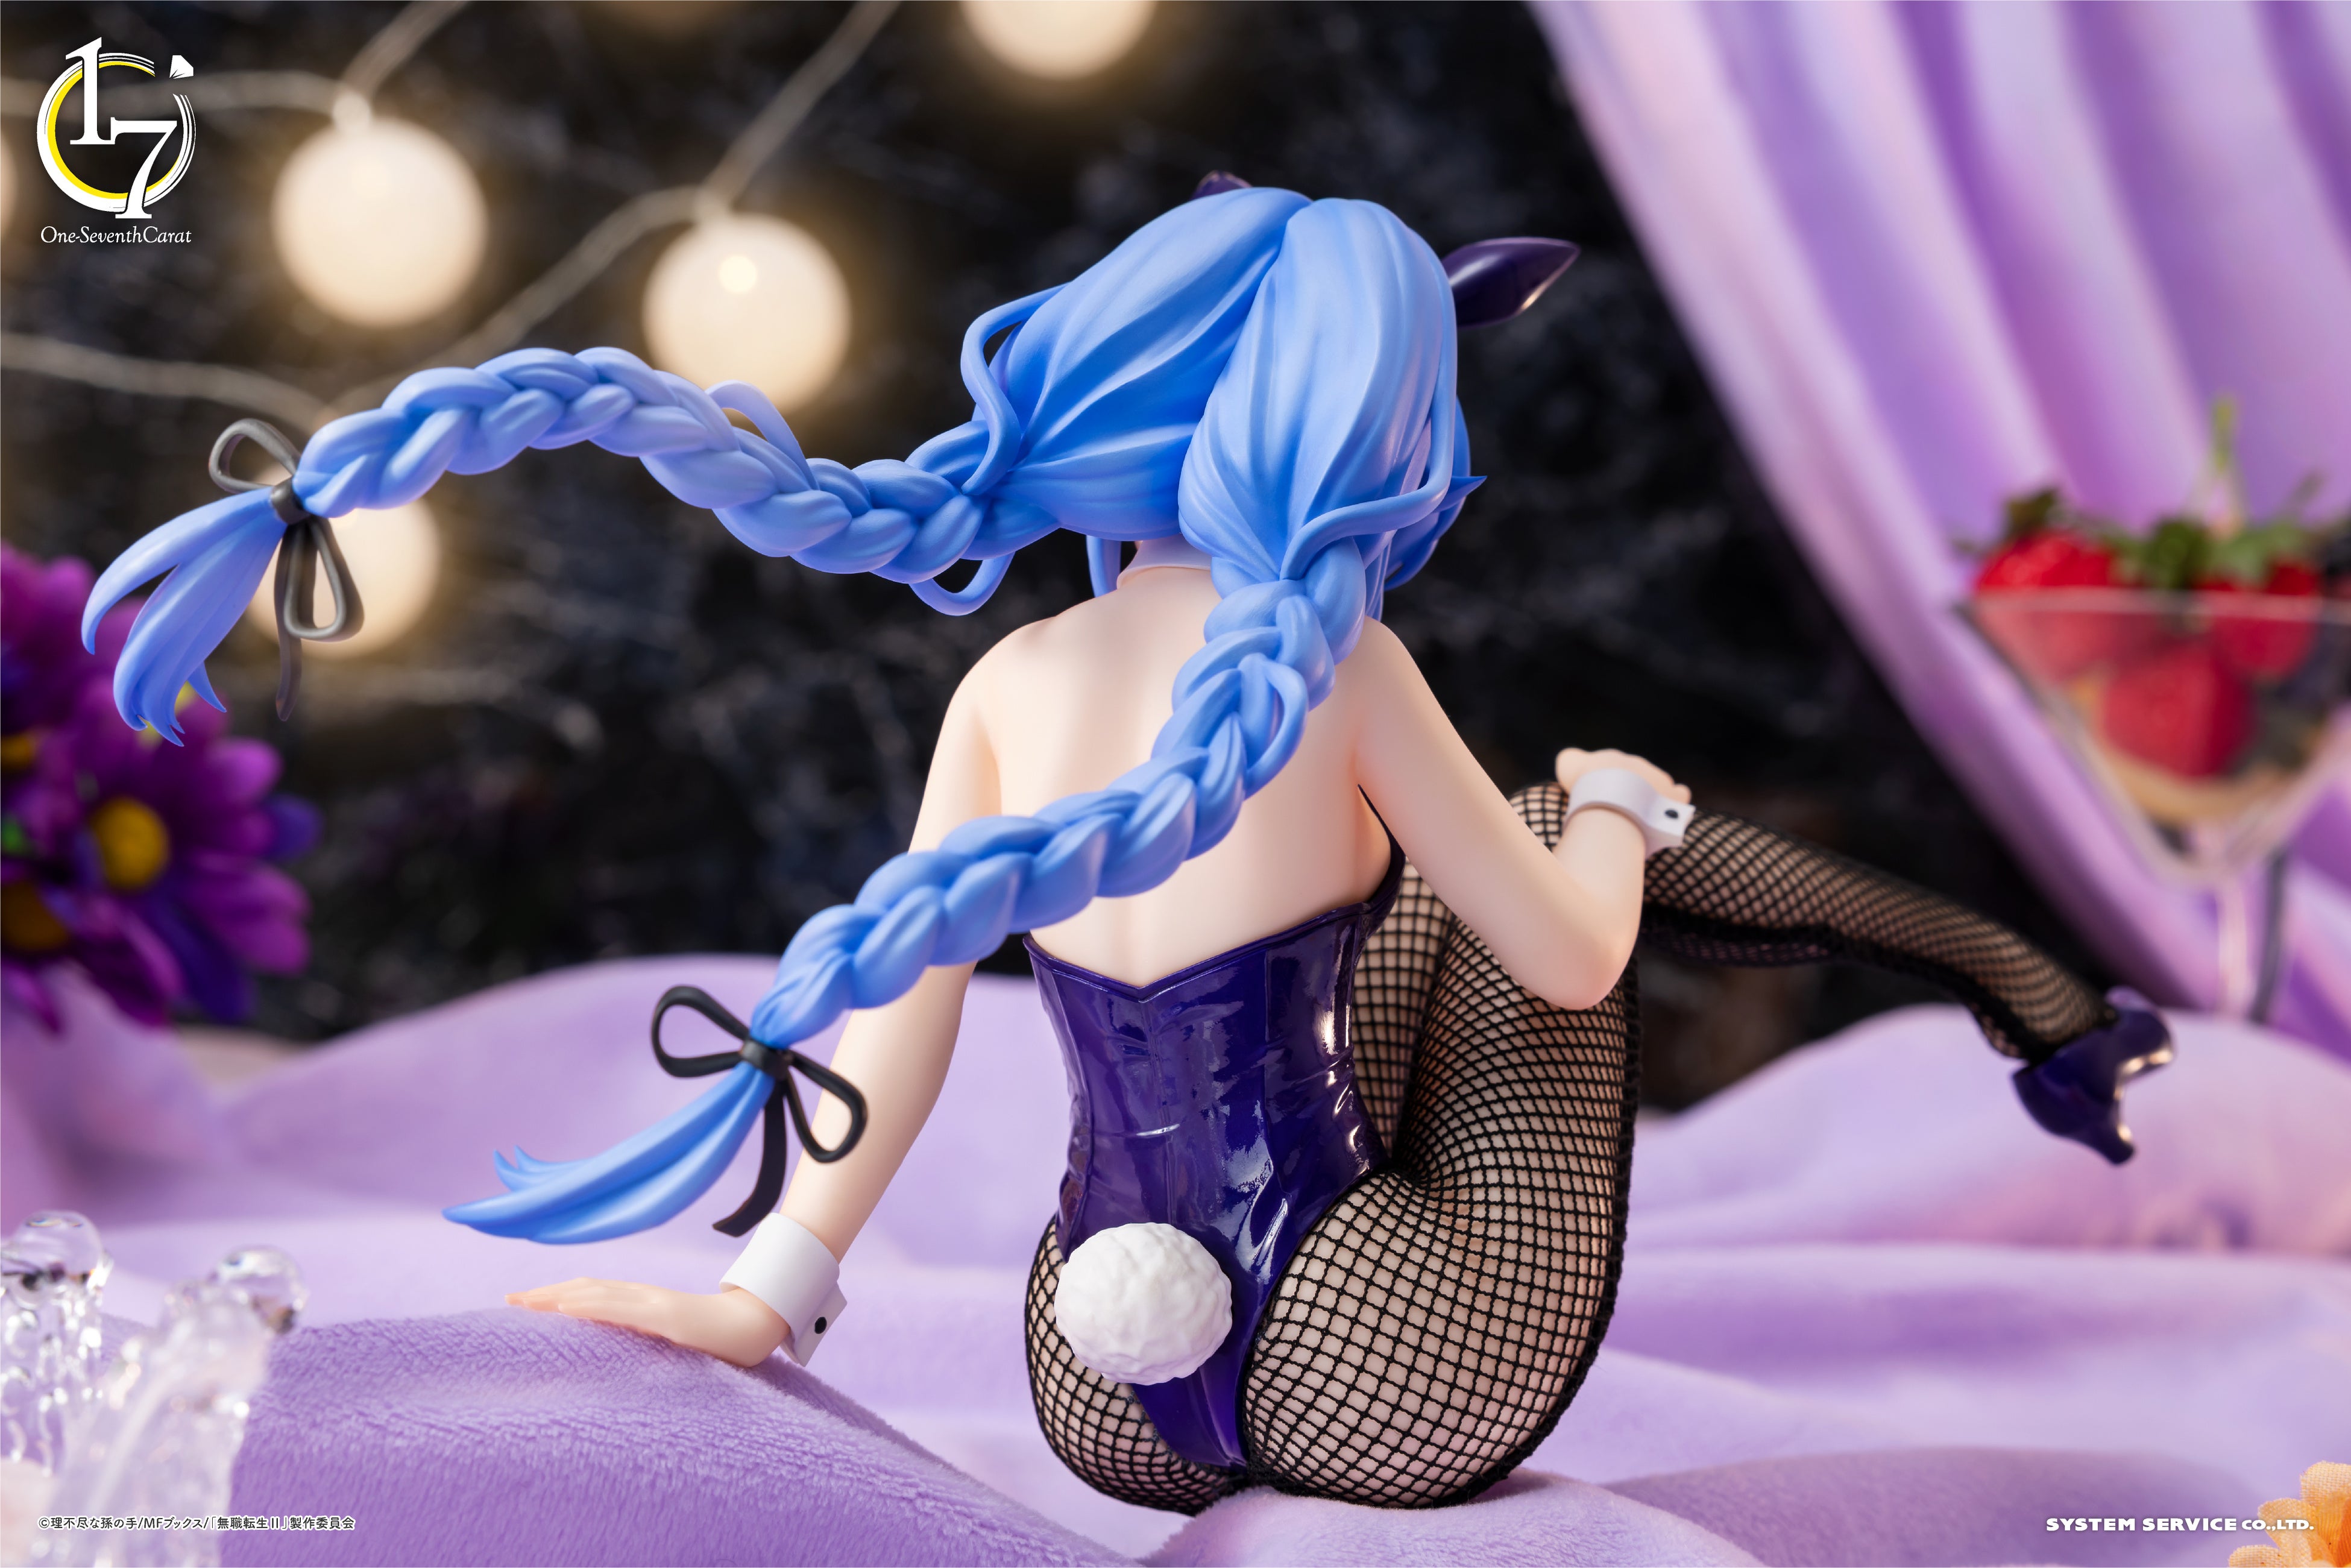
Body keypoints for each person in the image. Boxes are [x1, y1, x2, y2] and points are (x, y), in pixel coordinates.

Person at [84, 182, 2168, 1514]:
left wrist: (764, 1290)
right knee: (1550, 829)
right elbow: (1560, 957)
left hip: (1091, 1374)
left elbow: (900, 1012)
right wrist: (1615, 818)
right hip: (1385, 1362)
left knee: (1417, 905)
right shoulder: (1348, 664)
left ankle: (2039, 1002)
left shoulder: (1011, 682)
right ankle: (2038, 1001)